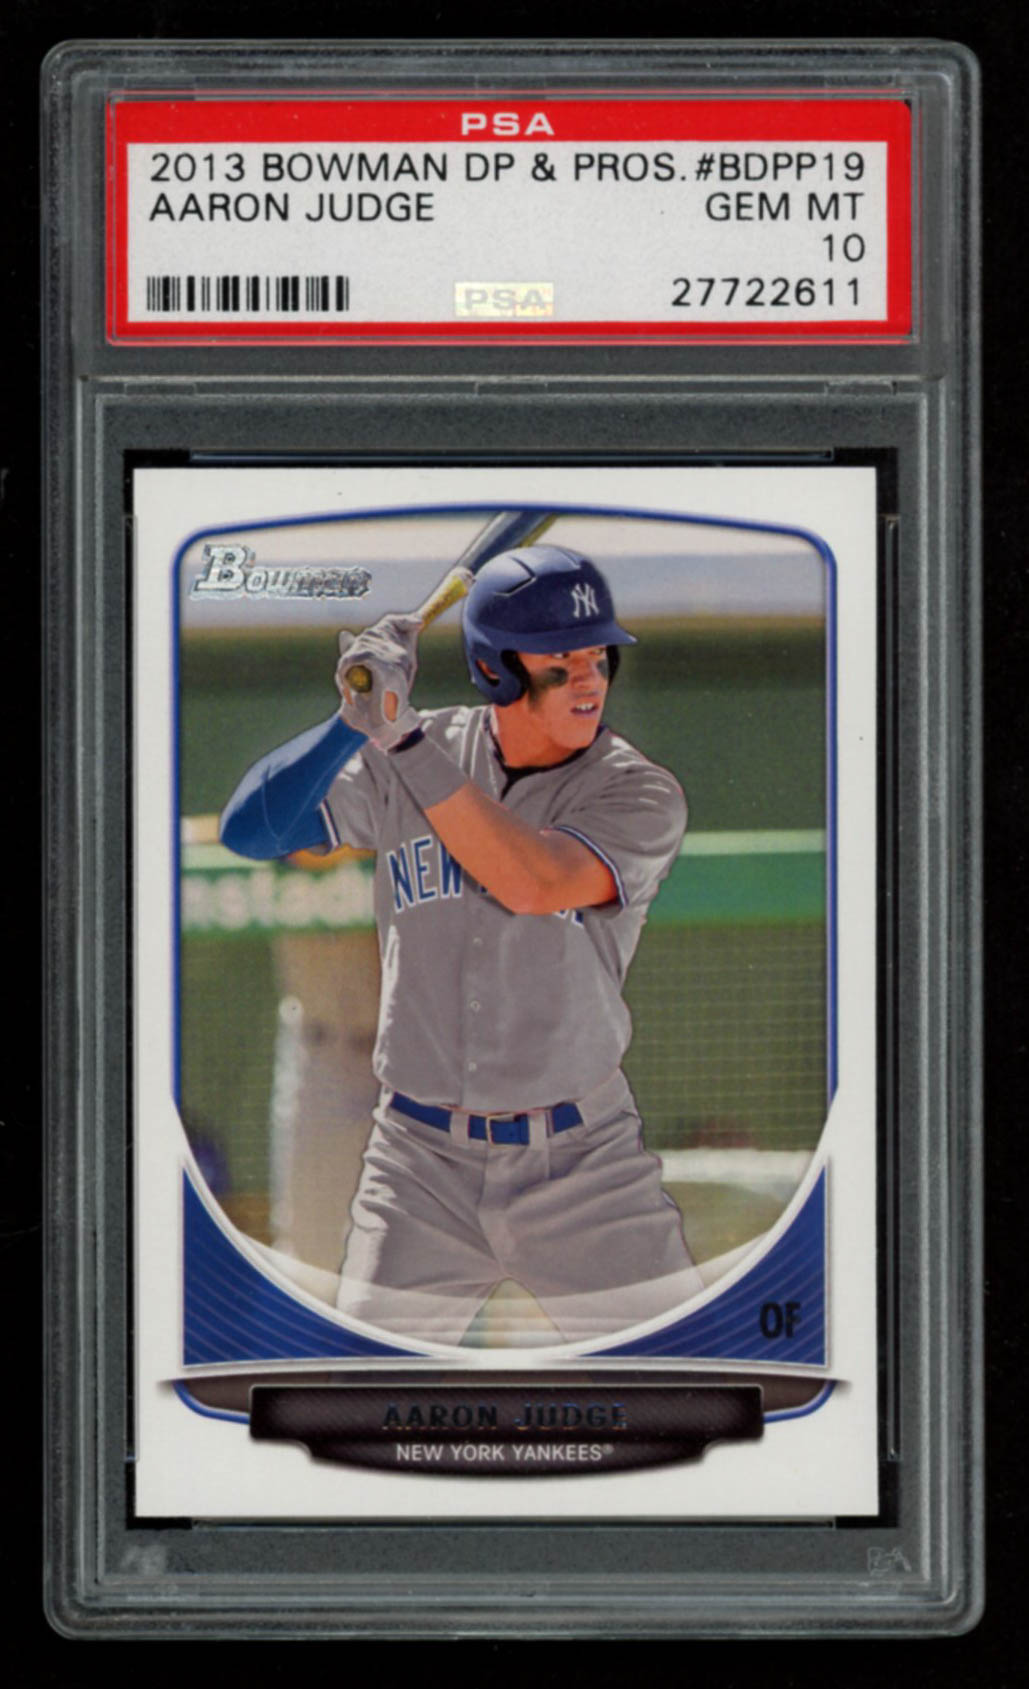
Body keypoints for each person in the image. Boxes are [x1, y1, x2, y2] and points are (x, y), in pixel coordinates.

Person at [220, 544, 700, 1343]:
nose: (588, 679)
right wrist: (351, 721)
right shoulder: (417, 746)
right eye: (559, 663)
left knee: (680, 1379)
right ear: (493, 671)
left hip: (580, 1162)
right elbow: (254, 829)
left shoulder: (637, 789)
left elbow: (533, 881)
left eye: (598, 657)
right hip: (419, 1164)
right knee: (362, 1388)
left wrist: (402, 741)